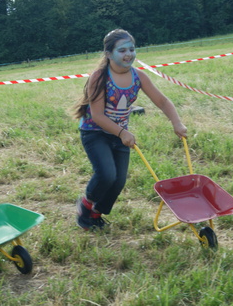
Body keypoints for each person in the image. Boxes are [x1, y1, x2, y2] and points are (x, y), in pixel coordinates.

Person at [73, 29, 188, 231]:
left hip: (120, 135)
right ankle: (86, 206)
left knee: (118, 181)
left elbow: (162, 101)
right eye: (122, 50)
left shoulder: (138, 76)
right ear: (108, 54)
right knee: (107, 174)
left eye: (132, 49)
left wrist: (176, 122)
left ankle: (97, 214)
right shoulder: (99, 77)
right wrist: (122, 132)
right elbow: (98, 116)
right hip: (95, 132)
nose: (129, 54)